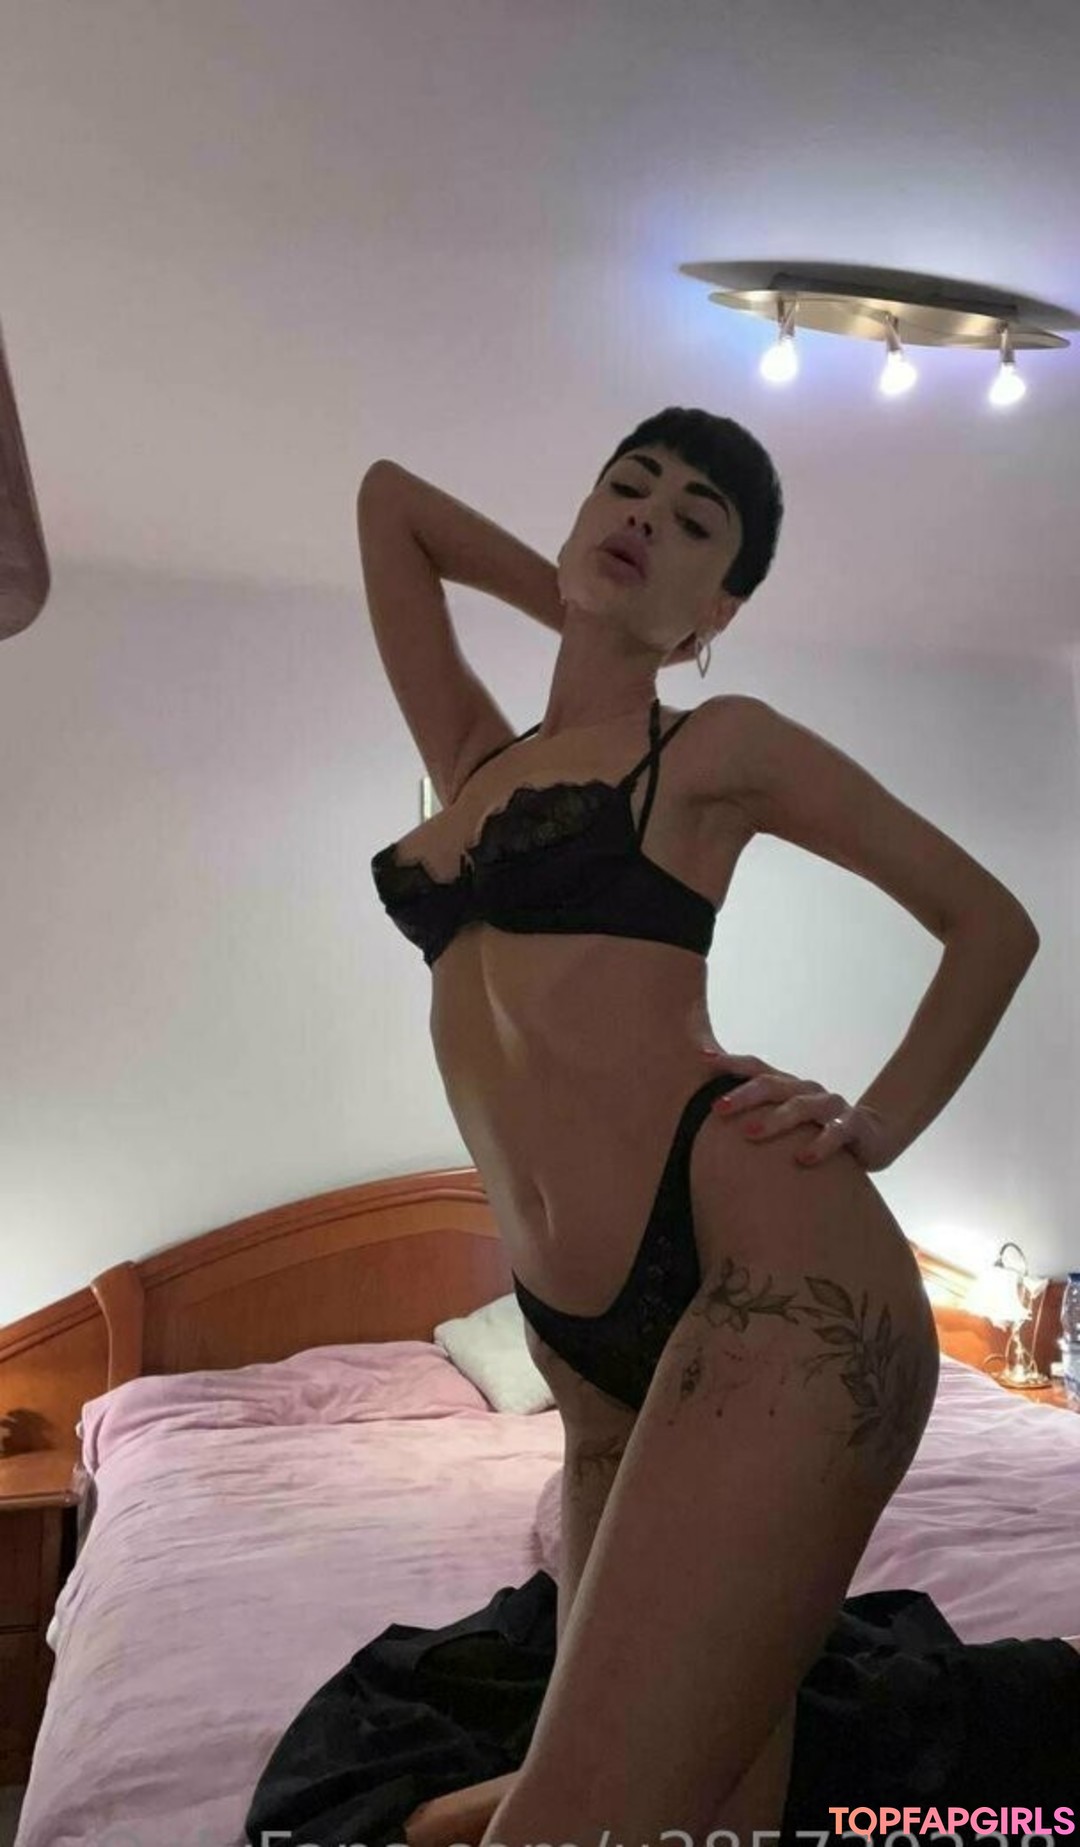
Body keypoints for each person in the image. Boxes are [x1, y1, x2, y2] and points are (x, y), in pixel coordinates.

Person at [360, 406, 1042, 1842]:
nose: (646, 517)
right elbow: (389, 504)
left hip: (766, 1262)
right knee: (692, 1815)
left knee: (571, 1824)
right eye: (628, 490)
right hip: (588, 1352)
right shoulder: (476, 762)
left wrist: (880, 1124)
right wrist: (579, 589)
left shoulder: (713, 747)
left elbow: (990, 923)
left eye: (693, 525)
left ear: (718, 614)